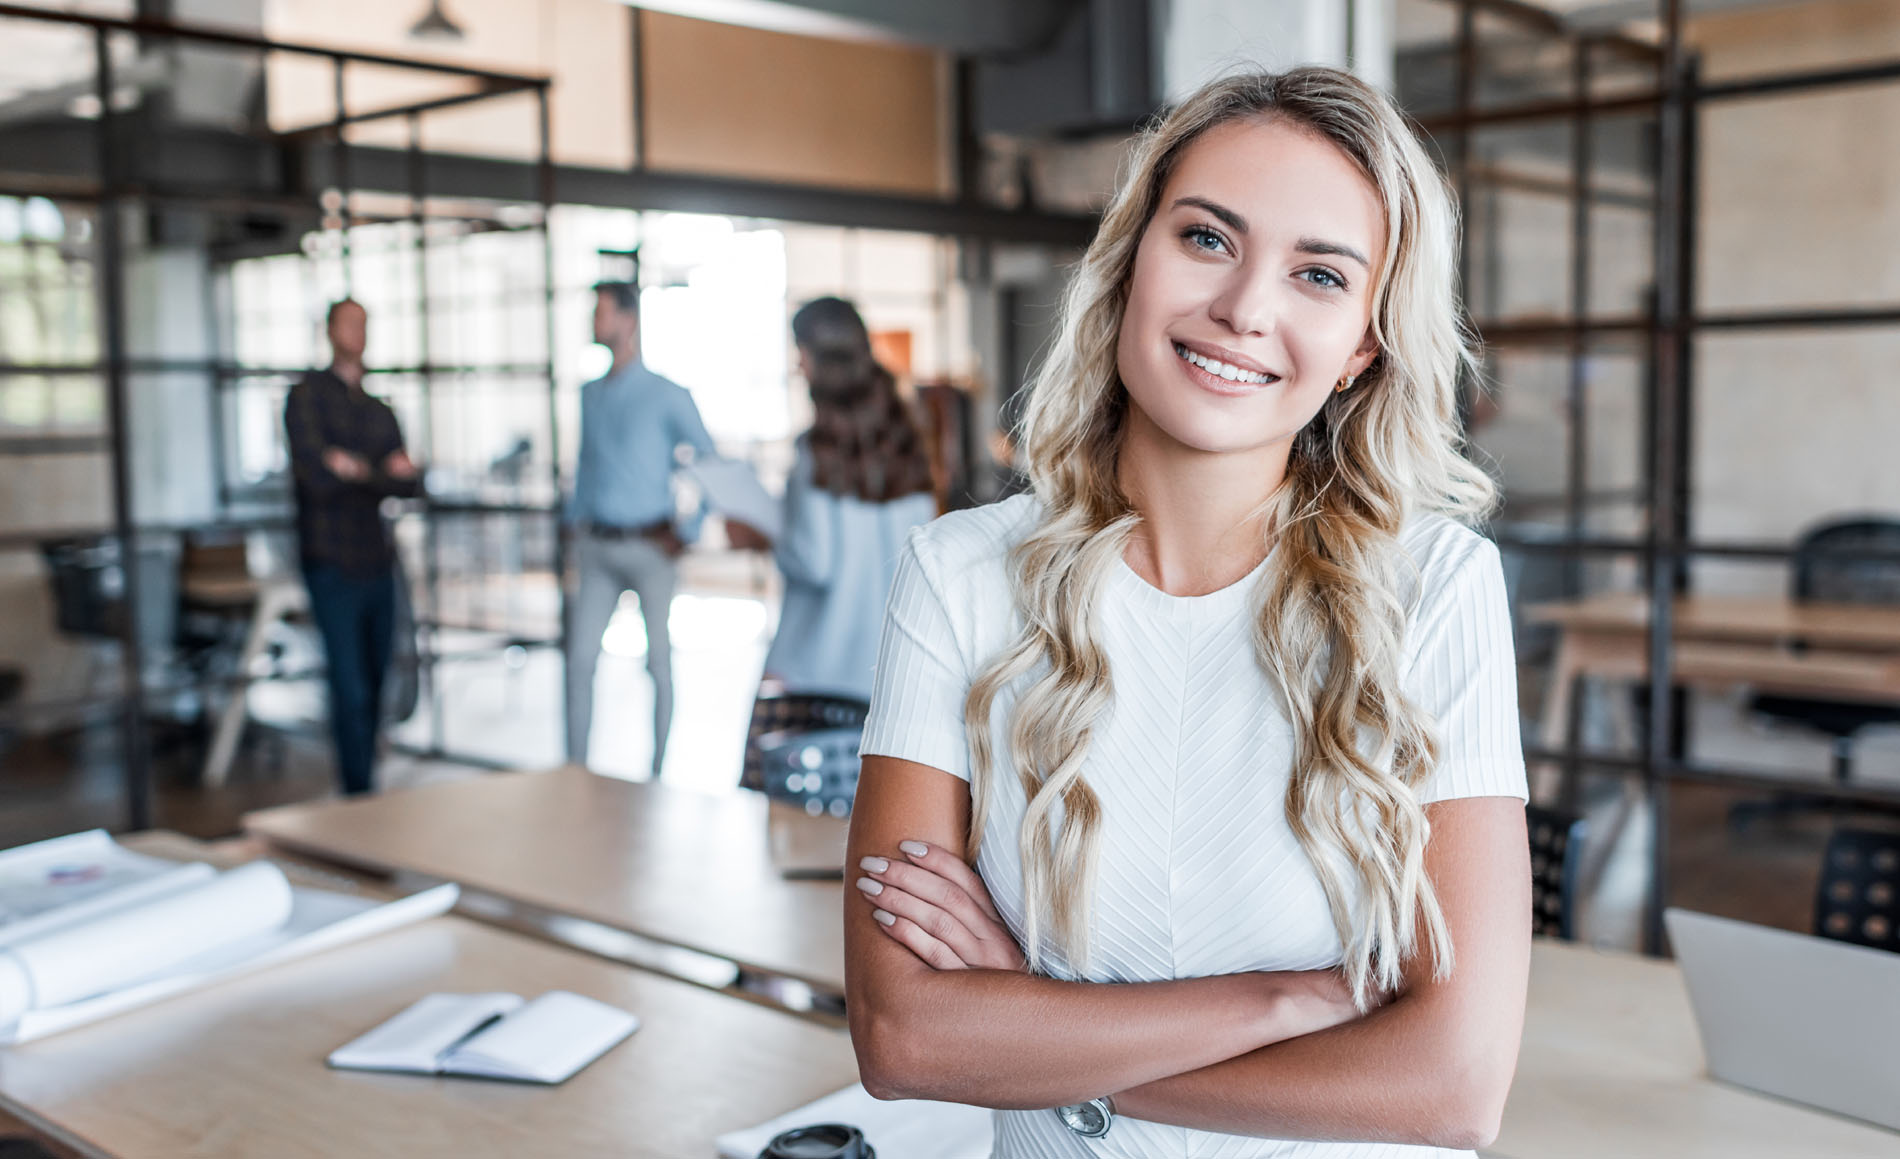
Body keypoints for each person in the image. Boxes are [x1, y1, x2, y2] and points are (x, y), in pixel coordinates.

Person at [843, 68, 1530, 1157]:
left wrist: (1032, 1023)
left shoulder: (1434, 586)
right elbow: (902, 1037)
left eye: (1318, 274)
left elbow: (1449, 1085)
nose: (1245, 309)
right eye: (1207, 239)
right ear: (1128, 264)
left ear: (1363, 344)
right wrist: (1284, 1001)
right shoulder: (957, 572)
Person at [737, 297, 938, 702]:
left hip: (814, 672)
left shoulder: (817, 450)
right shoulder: (906, 444)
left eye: (801, 353)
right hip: (891, 673)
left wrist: (765, 535)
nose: (798, 366)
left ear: (819, 360)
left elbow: (814, 561)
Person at [565, 281, 716, 778]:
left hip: (652, 547)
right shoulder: (590, 395)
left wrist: (689, 529)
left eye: (602, 312)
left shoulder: (667, 394)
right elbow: (586, 468)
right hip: (599, 547)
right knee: (581, 660)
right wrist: (572, 530)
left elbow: (713, 464)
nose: (594, 320)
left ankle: (657, 774)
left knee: (658, 665)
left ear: (628, 321)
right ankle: (575, 770)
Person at [284, 299, 422, 796]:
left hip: (376, 561)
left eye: (364, 323)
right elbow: (317, 478)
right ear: (330, 330)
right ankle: (357, 792)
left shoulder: (378, 409)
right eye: (350, 323)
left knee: (377, 680)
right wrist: (379, 473)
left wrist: (356, 469)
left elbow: (408, 484)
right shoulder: (306, 398)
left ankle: (369, 783)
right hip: (331, 562)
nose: (358, 332)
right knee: (349, 686)